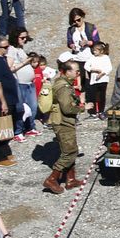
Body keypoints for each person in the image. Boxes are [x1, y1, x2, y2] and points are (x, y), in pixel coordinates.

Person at [45, 59, 82, 193]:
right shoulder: (64, 88)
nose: (78, 73)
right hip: (63, 122)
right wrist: (82, 108)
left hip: (64, 122)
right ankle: (52, 179)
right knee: (70, 152)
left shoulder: (64, 84)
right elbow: (67, 109)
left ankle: (70, 179)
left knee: (71, 149)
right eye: (76, 71)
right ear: (67, 72)